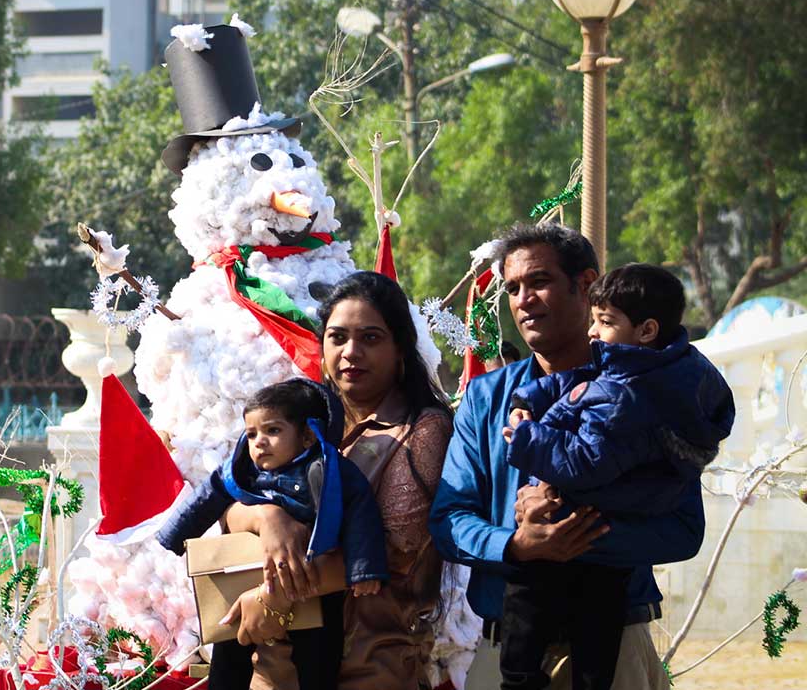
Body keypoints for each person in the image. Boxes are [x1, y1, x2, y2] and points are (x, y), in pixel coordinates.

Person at [429, 224, 709, 690]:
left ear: (586, 285)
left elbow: (682, 529)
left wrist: (575, 535)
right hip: (506, 653)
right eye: (513, 288)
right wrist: (518, 545)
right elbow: (449, 519)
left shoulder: (647, 392)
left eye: (538, 282)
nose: (522, 300)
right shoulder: (486, 398)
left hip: (614, 650)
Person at [497, 263, 734, 690]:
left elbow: (585, 462)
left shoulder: (629, 395)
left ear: (645, 330)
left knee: (530, 601)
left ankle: (518, 680)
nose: (593, 332)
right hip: (608, 553)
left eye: (604, 322)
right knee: (599, 625)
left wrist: (527, 439)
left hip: (583, 528)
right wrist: (530, 397)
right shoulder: (653, 372)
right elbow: (579, 383)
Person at [220, 271, 455, 689]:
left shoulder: (423, 429)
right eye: (338, 337)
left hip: (366, 665)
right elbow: (230, 505)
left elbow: (391, 552)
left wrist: (270, 598)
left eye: (370, 338)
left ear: (400, 346)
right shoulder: (299, 421)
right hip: (273, 659)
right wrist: (268, 520)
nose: (351, 352)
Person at [158, 379, 389, 690]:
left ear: (308, 435)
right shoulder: (244, 472)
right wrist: (175, 535)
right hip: (245, 583)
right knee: (229, 652)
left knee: (319, 661)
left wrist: (365, 568)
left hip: (314, 586)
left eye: (273, 431)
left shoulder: (330, 470)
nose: (259, 442)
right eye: (251, 434)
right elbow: (207, 496)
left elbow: (362, 514)